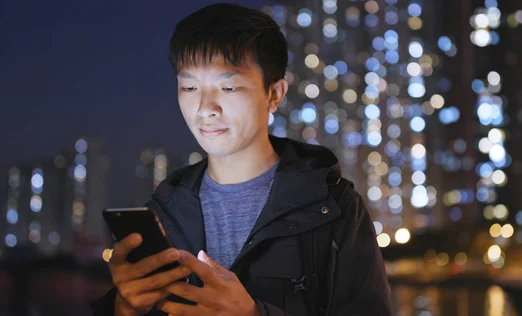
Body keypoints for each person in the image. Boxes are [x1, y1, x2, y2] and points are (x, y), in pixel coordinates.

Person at [92, 3, 392, 315]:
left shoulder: (333, 207)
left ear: (274, 94)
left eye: (229, 86)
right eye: (190, 86)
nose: (206, 107)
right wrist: (123, 307)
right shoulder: (166, 209)